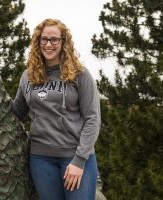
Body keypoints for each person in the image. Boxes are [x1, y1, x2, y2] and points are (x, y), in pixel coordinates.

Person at [12, 18, 101, 200]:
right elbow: (16, 114)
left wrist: (79, 160)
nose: (48, 44)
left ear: (63, 42)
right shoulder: (27, 76)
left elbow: (93, 119)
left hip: (75, 157)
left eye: (54, 39)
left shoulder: (80, 74)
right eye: (44, 39)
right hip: (41, 159)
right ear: (38, 42)